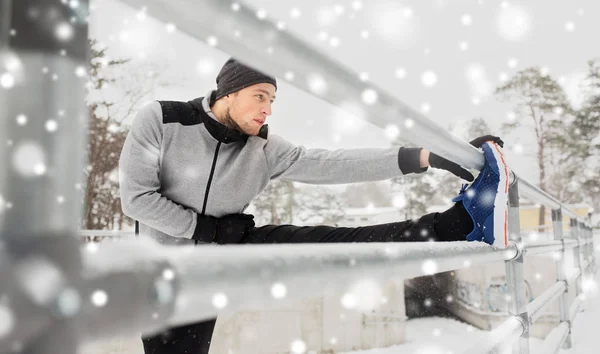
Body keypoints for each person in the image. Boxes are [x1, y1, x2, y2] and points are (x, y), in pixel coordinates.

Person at [118, 58, 509, 354]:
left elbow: (332, 162)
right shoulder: (163, 120)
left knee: (330, 242)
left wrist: (426, 156)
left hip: (224, 255)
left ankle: (455, 225)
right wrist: (208, 230)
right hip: (161, 275)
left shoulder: (264, 148)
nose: (267, 109)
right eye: (259, 96)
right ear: (228, 92)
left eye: (272, 100)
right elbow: (137, 198)